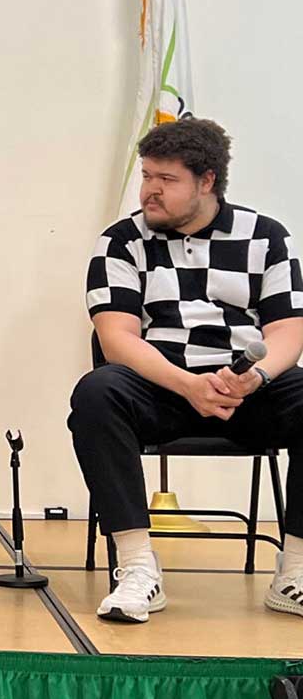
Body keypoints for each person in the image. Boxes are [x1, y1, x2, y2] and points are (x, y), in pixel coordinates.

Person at [71, 117, 303, 624]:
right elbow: (117, 338)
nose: (150, 190)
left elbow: (289, 331)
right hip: (163, 387)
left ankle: (296, 574)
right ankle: (137, 569)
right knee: (96, 393)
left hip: (246, 390)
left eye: (166, 180)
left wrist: (255, 378)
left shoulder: (265, 237)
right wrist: (186, 384)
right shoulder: (120, 241)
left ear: (207, 182)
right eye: (147, 176)